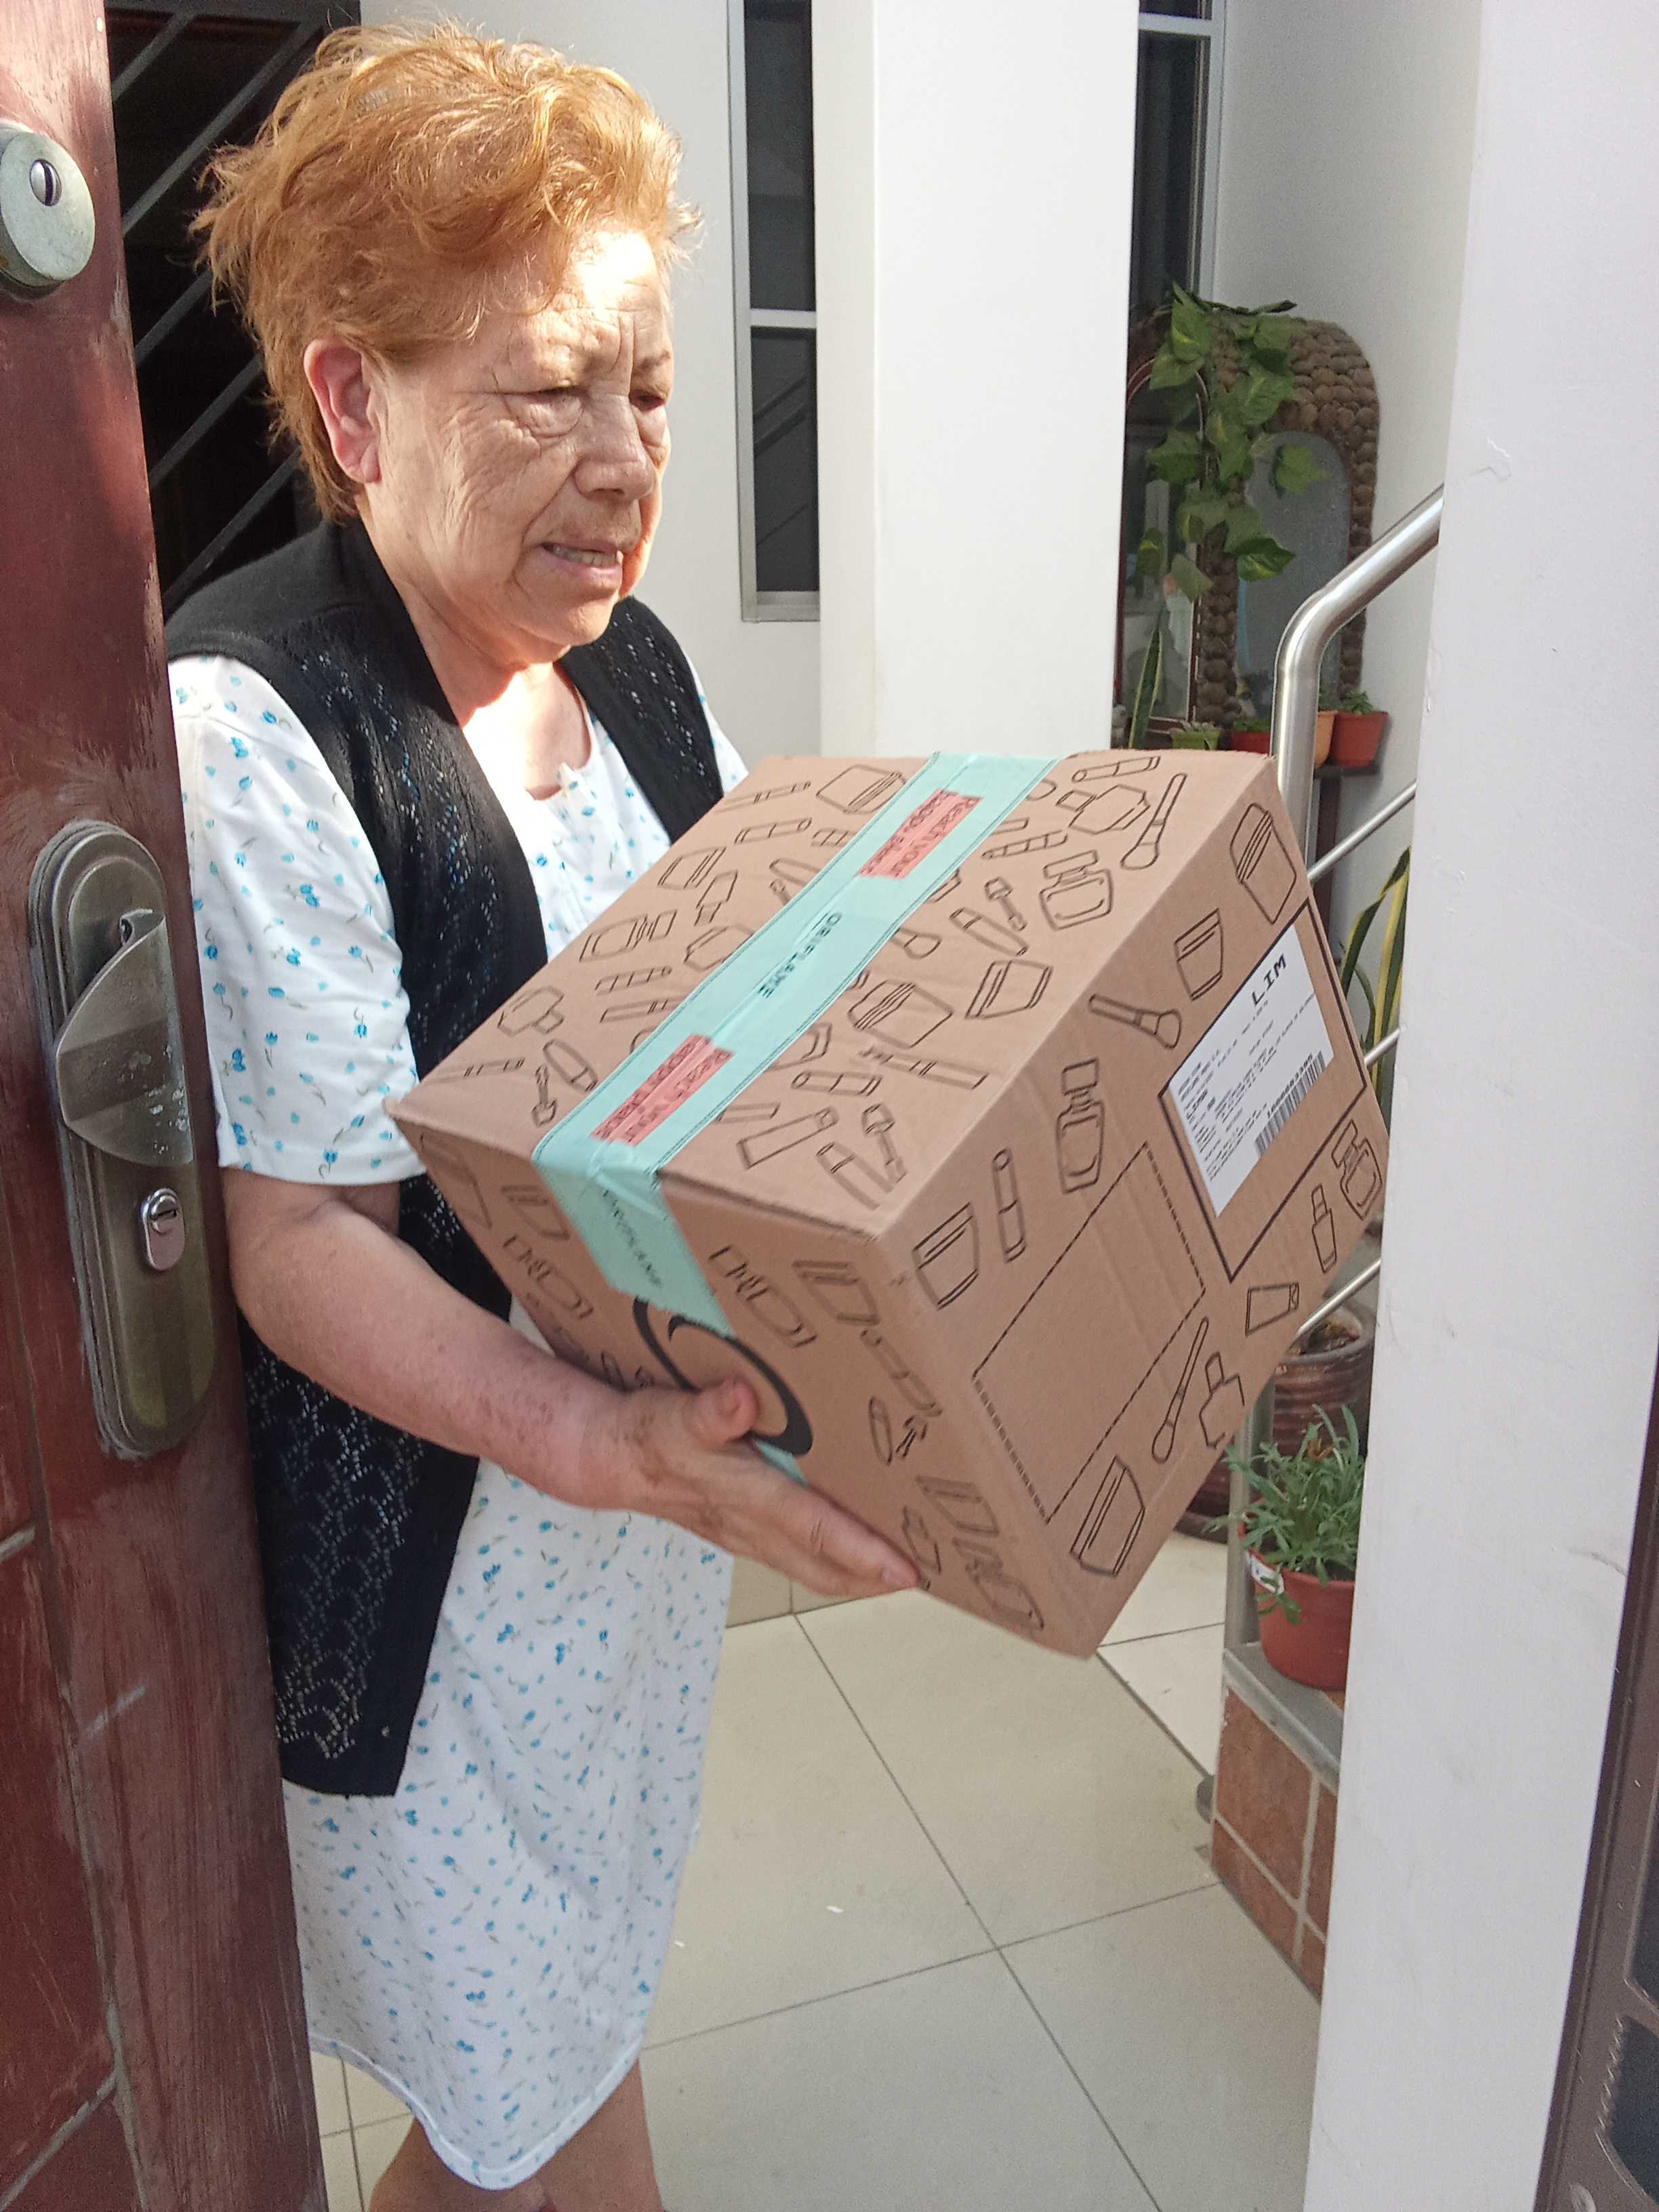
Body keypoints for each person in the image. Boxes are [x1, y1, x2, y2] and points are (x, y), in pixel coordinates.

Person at [167, 26, 914, 2211]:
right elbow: (300, 1238)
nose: (620, 463)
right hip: (441, 1612)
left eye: (650, 393)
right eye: (547, 394)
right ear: (353, 405)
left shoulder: (635, 666)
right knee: (546, 2118)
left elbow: (737, 1017)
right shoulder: (264, 727)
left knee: (535, 2083)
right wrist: (594, 1441)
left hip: (621, 1572)